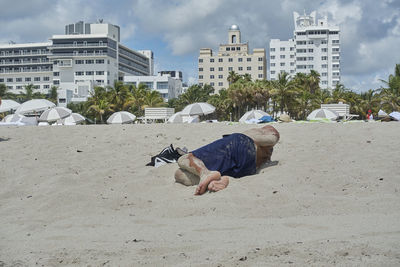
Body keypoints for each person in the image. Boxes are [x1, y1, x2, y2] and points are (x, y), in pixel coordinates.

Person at [174, 125, 280, 195]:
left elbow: (273, 135)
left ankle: (205, 174)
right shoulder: (267, 153)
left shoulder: (256, 132)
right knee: (179, 174)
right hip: (248, 169)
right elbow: (273, 139)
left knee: (184, 158)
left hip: (240, 143)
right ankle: (220, 179)